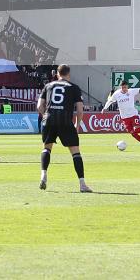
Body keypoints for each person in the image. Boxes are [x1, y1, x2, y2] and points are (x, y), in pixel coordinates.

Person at [38, 64, 91, 193]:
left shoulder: (48, 86)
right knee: (75, 153)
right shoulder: (74, 87)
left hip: (49, 119)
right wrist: (77, 125)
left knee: (47, 148)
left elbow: (40, 106)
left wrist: (45, 116)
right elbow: (79, 109)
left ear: (57, 73)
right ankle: (82, 184)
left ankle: (43, 174)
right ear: (69, 74)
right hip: (65, 121)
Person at [101, 80, 140, 152]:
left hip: (133, 115)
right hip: (124, 118)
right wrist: (105, 108)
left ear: (127, 87)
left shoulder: (131, 91)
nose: (124, 89)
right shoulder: (116, 94)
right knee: (133, 134)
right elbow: (110, 101)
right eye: (123, 87)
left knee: (137, 128)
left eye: (126, 87)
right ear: (121, 87)